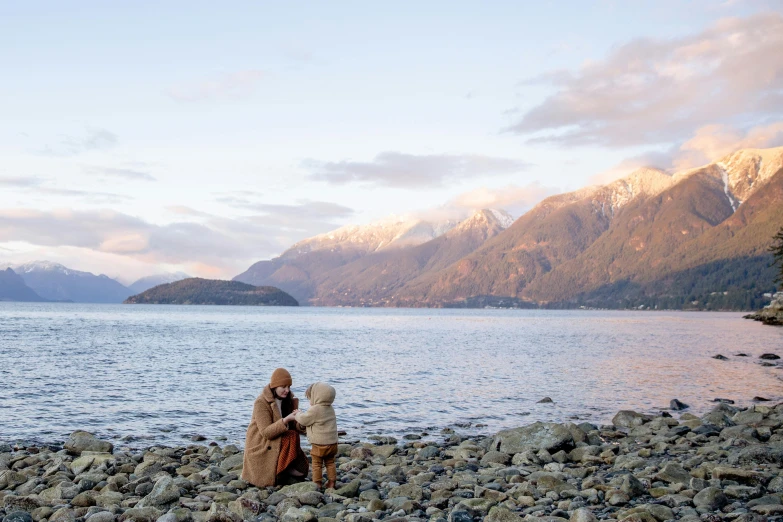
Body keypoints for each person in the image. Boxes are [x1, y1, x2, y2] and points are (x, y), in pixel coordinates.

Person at [241, 368, 309, 487]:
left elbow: (294, 426)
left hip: (277, 438)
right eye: (283, 386)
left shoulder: (288, 400)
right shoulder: (261, 402)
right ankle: (282, 469)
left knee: (294, 435)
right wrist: (286, 419)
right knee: (292, 436)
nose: (287, 390)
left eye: (289, 386)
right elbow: (266, 432)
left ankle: (285, 466)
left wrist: (301, 420)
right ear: (275, 386)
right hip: (261, 443)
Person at [296, 381, 338, 489]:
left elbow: (304, 420)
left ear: (317, 397)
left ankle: (317, 483)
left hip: (319, 444)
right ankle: (332, 482)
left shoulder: (315, 409)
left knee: (317, 464)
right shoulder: (330, 408)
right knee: (330, 462)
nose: (310, 402)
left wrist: (297, 414)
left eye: (311, 398)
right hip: (333, 443)